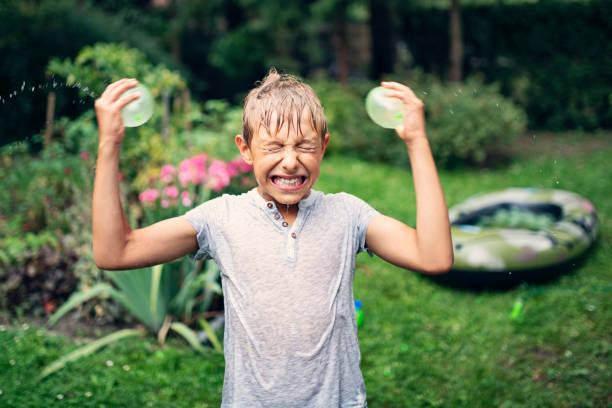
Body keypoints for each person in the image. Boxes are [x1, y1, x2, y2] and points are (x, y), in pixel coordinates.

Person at [92, 69, 453, 408]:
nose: (291, 161)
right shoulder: (221, 218)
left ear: (323, 147)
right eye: (274, 147)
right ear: (245, 149)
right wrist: (109, 144)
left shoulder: (348, 215)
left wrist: (418, 141)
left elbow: (433, 257)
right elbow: (116, 252)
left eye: (305, 146)